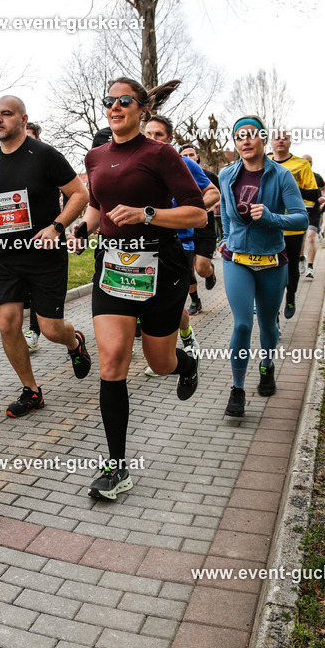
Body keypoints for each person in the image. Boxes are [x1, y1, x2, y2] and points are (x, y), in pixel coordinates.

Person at [70, 78, 207, 500]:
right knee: (113, 360)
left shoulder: (161, 154)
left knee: (160, 361)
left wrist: (147, 214)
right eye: (108, 100)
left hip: (160, 264)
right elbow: (97, 206)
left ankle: (186, 365)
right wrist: (80, 228)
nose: (114, 107)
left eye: (123, 101)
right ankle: (117, 467)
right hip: (113, 265)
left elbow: (197, 215)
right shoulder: (95, 156)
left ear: (141, 109)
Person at [0, 95, 92, 417]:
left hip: (45, 256)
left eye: (6, 114)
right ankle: (32, 390)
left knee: (51, 329)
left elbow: (80, 194)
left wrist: (57, 226)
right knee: (7, 323)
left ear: (23, 120)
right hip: (8, 257)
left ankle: (74, 342)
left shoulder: (45, 155)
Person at [219, 117, 308, 417]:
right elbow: (226, 213)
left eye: (251, 135)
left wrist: (271, 217)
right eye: (239, 136)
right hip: (237, 260)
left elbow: (301, 218)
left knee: (268, 325)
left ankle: (267, 365)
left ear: (262, 139)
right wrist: (225, 238)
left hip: (272, 260)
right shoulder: (226, 174)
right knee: (243, 324)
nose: (245, 141)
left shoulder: (282, 176)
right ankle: (237, 389)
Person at [141, 117, 219, 374]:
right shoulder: (137, 164)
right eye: (149, 133)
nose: (153, 139)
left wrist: (192, 212)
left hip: (179, 244)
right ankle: (184, 337)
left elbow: (212, 193)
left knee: (167, 304)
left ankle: (177, 346)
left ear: (170, 139)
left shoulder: (184, 163)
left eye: (159, 135)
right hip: (142, 245)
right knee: (150, 302)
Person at [269, 130, 319, 318]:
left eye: (285, 138)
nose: (281, 141)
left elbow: (314, 195)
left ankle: (290, 297)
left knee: (290, 267)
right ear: (271, 143)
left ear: (290, 142)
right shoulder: (264, 162)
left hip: (292, 225)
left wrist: (290, 187)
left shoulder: (301, 164)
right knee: (271, 270)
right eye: (277, 138)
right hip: (269, 224)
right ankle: (273, 312)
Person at [179, 143, 220, 296]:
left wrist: (212, 203)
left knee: (201, 268)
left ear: (197, 157)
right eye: (185, 155)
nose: (189, 158)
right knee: (188, 270)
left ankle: (210, 273)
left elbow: (220, 195)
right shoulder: (174, 174)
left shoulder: (209, 176)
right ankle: (195, 301)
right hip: (185, 229)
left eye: (192, 154)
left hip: (205, 228)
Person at [23, 122, 43, 351]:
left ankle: (35, 330)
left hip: (42, 234)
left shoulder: (46, 159)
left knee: (37, 287)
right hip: (14, 238)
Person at [300, 152, 324, 279]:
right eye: (305, 161)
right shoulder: (296, 176)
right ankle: (300, 259)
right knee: (301, 239)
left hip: (313, 211)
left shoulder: (317, 177)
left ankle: (310, 266)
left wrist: (323, 197)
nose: (307, 164)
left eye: (309, 162)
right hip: (299, 211)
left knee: (310, 237)